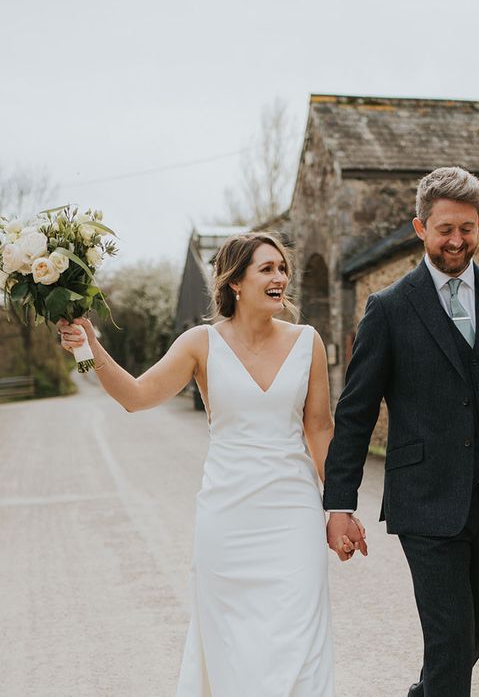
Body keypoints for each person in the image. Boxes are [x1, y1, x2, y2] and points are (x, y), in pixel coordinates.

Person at [58, 233, 366, 696]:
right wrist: (90, 346)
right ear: (235, 283)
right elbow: (136, 397)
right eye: (267, 269)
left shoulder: (309, 342)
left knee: (299, 639)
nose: (280, 277)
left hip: (293, 515)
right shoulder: (200, 343)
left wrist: (339, 507)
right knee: (233, 645)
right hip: (229, 517)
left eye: (282, 268)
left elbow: (320, 428)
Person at [323, 167, 479, 696]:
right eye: (446, 229)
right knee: (450, 638)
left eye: (467, 229)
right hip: (426, 500)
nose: (457, 241)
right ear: (420, 227)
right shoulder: (388, 308)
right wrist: (339, 503)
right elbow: (356, 413)